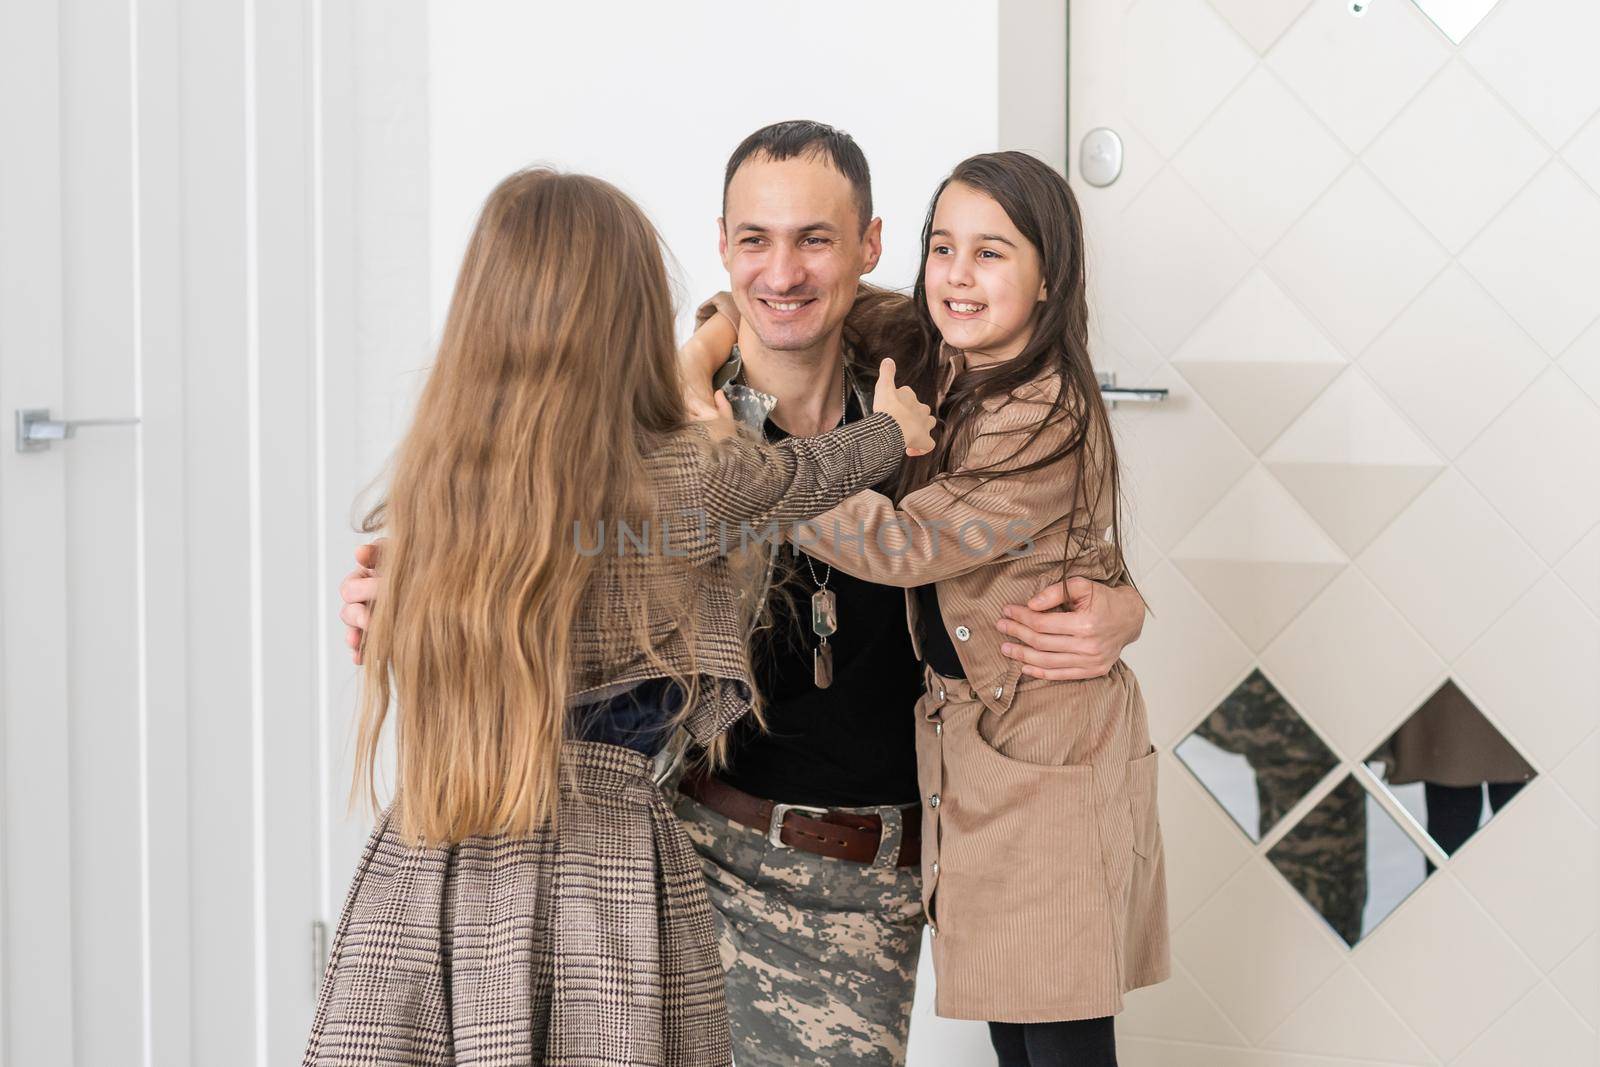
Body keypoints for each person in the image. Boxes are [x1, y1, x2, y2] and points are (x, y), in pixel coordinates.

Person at [340, 122, 1149, 1067]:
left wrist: (1121, 606)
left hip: (873, 879)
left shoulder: (939, 381)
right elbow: (546, 513)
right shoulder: (663, 418)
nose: (785, 273)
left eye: (815, 239)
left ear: (870, 248)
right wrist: (411, 574)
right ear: (722, 247)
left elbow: (1049, 520)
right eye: (756, 241)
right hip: (693, 858)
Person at [303, 166, 937, 1067]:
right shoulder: (685, 473)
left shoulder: (443, 481)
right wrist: (895, 429)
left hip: (441, 864)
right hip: (606, 866)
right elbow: (799, 473)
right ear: (630, 314)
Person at [686, 151, 1172, 1066]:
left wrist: (754, 465)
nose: (786, 273)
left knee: (1053, 1021)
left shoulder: (992, 392)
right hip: (906, 791)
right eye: (943, 248)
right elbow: (753, 303)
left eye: (990, 253)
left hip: (1014, 772)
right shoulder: (930, 348)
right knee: (1023, 1022)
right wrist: (696, 355)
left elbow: (916, 543)